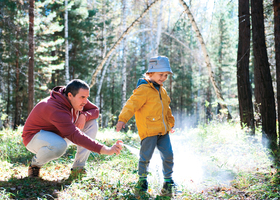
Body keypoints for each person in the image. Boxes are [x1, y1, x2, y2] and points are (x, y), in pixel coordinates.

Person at [22, 79, 123, 178]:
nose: (85, 101)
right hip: (34, 138)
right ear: (70, 95)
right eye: (82, 97)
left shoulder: (74, 98)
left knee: (91, 123)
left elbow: (95, 110)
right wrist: (105, 150)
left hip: (60, 134)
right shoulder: (55, 108)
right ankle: (35, 165)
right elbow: (75, 136)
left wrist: (84, 116)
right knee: (59, 145)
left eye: (87, 97)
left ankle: (78, 168)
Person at [116, 56, 175, 196]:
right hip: (149, 131)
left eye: (166, 75)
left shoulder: (162, 91)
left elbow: (166, 109)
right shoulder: (143, 89)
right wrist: (122, 119)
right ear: (150, 73)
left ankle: (168, 182)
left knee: (168, 155)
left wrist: (170, 124)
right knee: (145, 157)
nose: (163, 78)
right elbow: (131, 104)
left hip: (163, 132)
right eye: (161, 74)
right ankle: (142, 181)